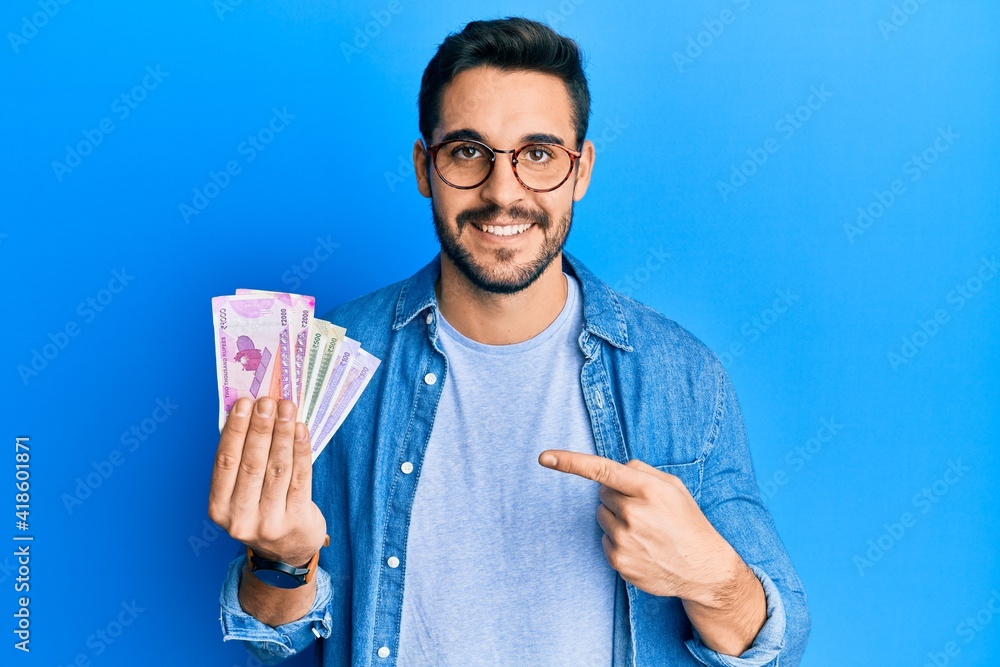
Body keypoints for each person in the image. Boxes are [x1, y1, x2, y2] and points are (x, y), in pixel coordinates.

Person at [209, 16, 810, 667]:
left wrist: (711, 578)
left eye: (540, 154)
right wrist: (281, 560)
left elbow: (776, 647)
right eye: (468, 151)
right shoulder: (330, 357)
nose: (503, 192)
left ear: (581, 171)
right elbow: (272, 640)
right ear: (423, 166)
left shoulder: (679, 376)